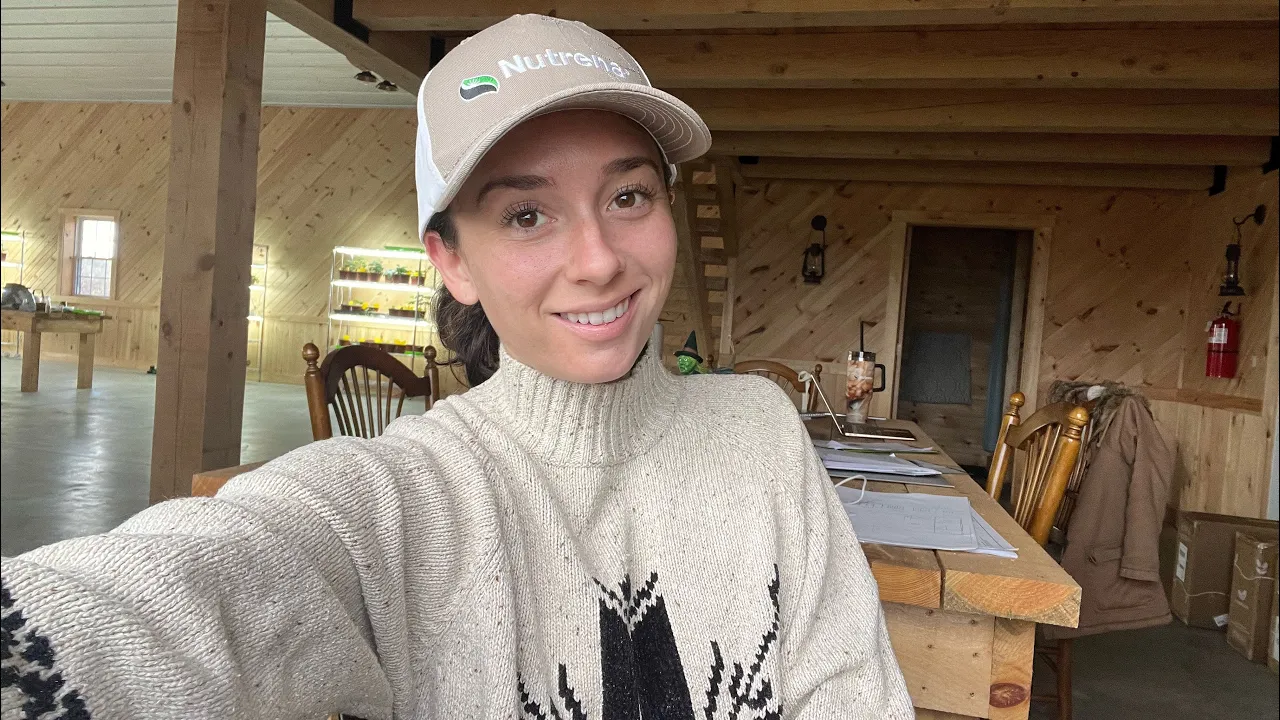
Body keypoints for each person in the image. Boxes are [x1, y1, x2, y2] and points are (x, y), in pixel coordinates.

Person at [1, 14, 912, 720]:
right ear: (453, 264)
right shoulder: (400, 498)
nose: (598, 259)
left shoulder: (759, 431)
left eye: (629, 195)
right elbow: (187, 592)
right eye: (527, 215)